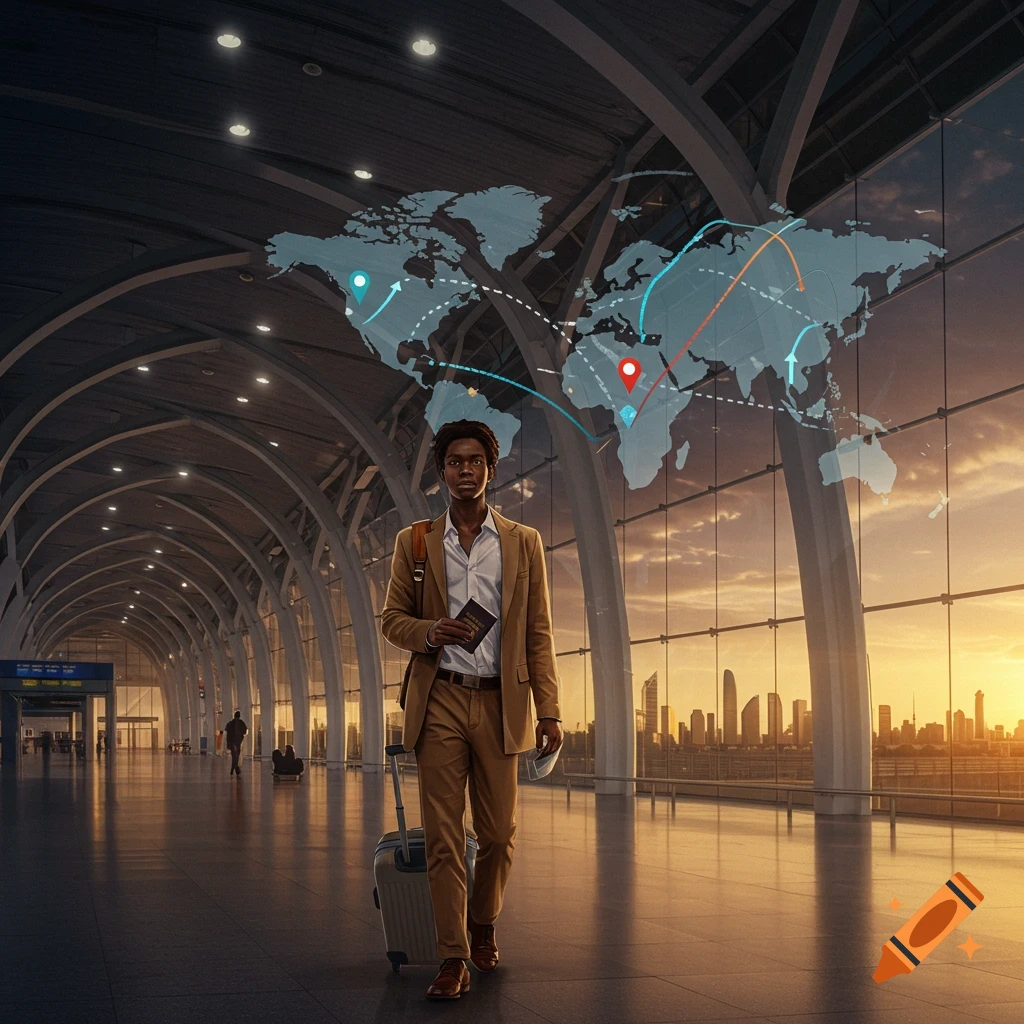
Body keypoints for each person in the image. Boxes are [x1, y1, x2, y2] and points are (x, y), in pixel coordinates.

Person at [381, 419, 562, 1001]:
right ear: (443, 471)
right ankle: (453, 955)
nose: (465, 470)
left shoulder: (522, 542)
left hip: (500, 701)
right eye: (455, 461)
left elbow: (538, 631)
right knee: (442, 836)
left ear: (490, 468)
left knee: (499, 834)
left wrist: (550, 711)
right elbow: (391, 622)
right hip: (439, 700)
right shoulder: (414, 542)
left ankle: (483, 920)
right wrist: (431, 631)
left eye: (474, 461)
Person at [224, 711, 247, 776]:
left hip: (232, 743)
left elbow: (226, 731)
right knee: (236, 756)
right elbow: (244, 732)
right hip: (238, 742)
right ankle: (235, 768)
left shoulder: (230, 723)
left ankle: (234, 768)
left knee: (234, 756)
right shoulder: (241, 723)